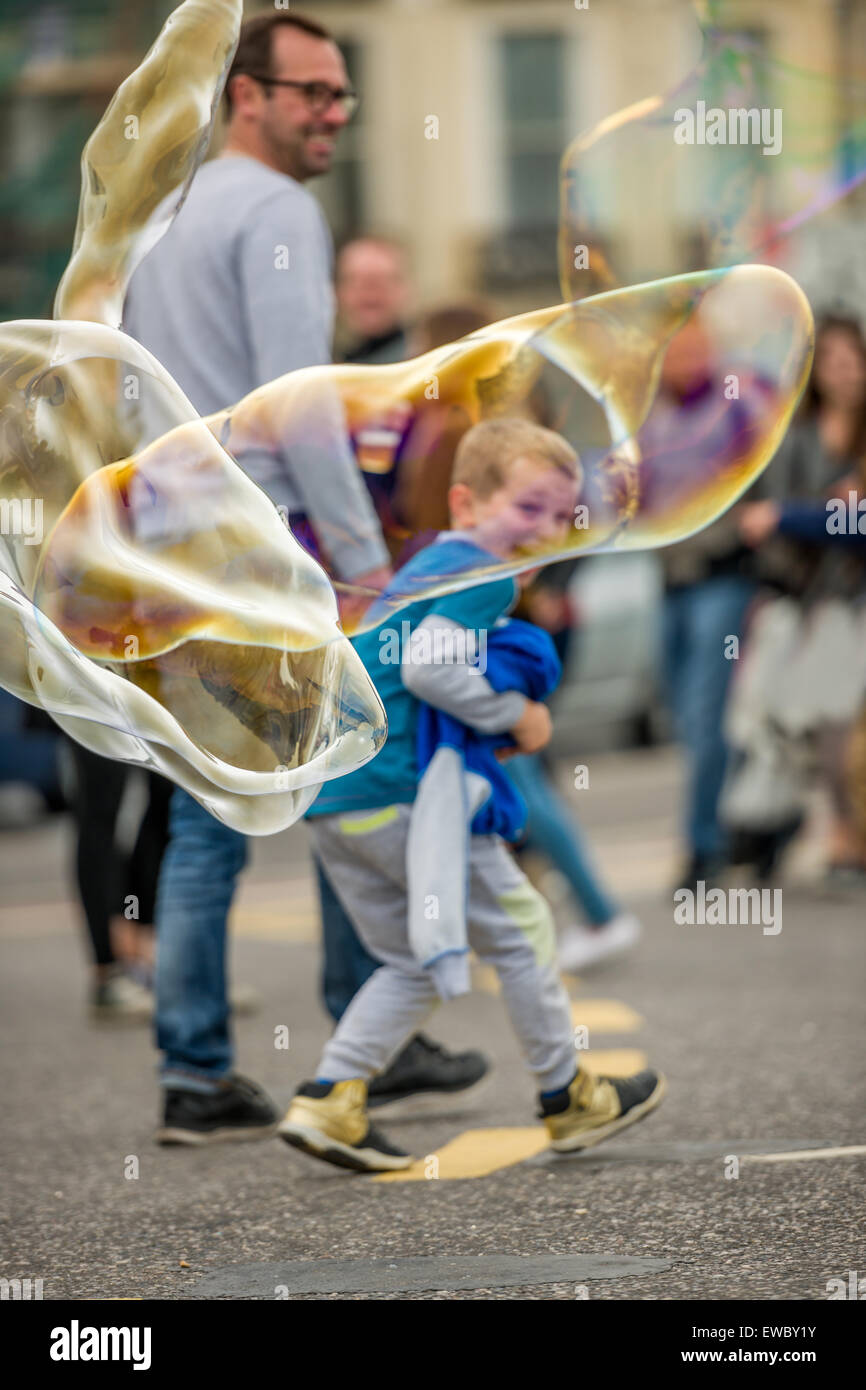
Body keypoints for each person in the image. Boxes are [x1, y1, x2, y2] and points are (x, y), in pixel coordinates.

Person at [124, 11, 480, 1144]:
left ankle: (193, 1073)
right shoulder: (279, 210)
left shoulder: (164, 213)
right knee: (347, 776)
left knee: (202, 815)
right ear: (247, 96)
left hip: (171, 540)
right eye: (312, 94)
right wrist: (369, 566)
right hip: (270, 542)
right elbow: (301, 402)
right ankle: (355, 1039)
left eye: (342, 97)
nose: (332, 113)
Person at [279, 418, 666, 1171]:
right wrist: (514, 714)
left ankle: (331, 1098)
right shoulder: (479, 572)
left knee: (410, 962)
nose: (543, 531)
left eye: (560, 517)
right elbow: (428, 668)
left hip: (340, 801)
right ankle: (567, 1096)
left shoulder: (427, 564)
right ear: (465, 504)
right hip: (410, 801)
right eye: (526, 509)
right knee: (522, 929)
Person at [335, 237, 412, 365]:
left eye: (381, 280)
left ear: (405, 289)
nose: (369, 291)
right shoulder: (324, 369)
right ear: (337, 291)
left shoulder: (430, 373)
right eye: (356, 281)